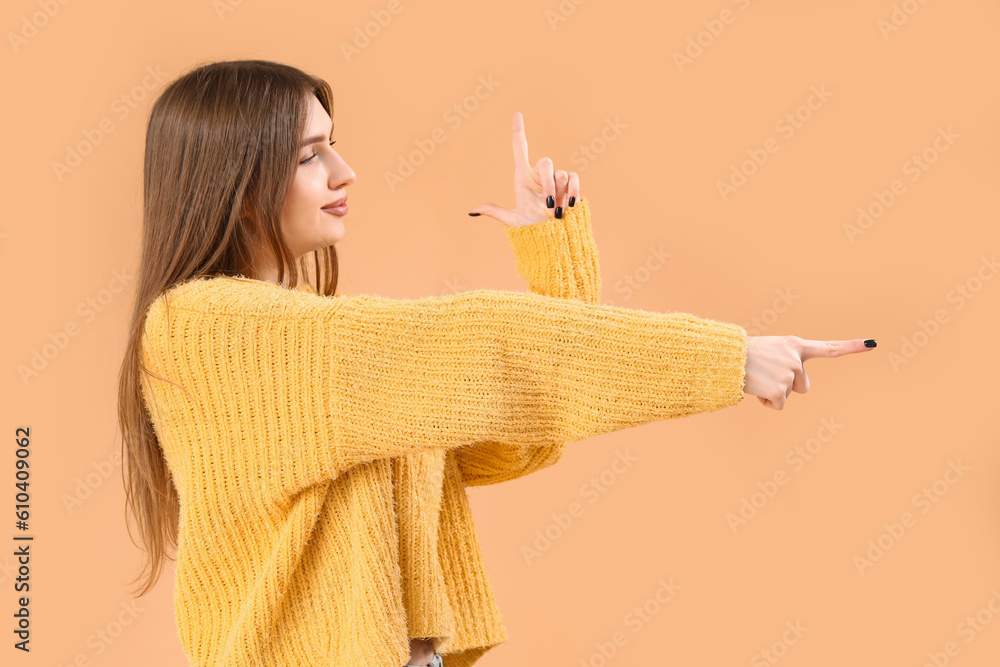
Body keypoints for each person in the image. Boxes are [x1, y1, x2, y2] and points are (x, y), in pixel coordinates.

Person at [117, 59, 876, 667]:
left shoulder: (312, 343)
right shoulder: (203, 329)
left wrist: (555, 260)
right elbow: (479, 348)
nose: (345, 172)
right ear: (238, 189)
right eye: (312, 156)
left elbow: (513, 432)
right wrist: (730, 357)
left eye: (334, 144)